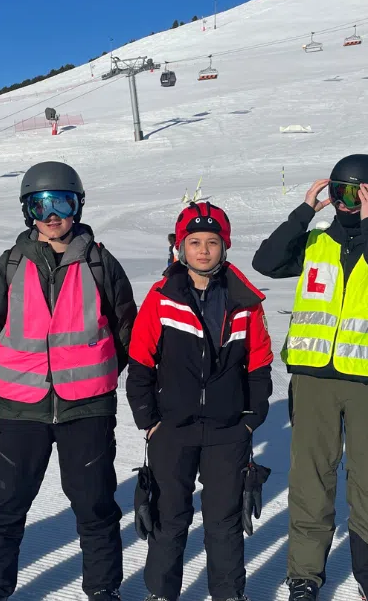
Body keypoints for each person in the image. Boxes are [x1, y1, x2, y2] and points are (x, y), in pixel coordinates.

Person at [252, 155, 368, 601]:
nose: (347, 204)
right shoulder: (315, 243)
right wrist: (304, 211)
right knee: (311, 480)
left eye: (358, 195)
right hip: (313, 382)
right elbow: (266, 262)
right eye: (340, 193)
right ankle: (305, 576)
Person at [0, 162, 137, 601]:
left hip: (86, 406)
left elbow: (125, 328)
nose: (51, 215)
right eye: (39, 204)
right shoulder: (10, 263)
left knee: (95, 506)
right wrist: (22, 366)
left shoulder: (102, 262)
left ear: (77, 205)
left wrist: (94, 371)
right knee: (6, 506)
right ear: (27, 210)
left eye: (60, 202)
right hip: (19, 405)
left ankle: (103, 589)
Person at [127, 201, 274, 601]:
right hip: (172, 430)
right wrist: (149, 420)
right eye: (194, 242)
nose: (204, 250)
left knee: (224, 521)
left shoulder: (246, 301)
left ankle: (228, 594)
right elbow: (140, 364)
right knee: (168, 518)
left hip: (228, 431)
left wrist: (251, 417)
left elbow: (260, 363)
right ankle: (161, 593)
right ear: (180, 247)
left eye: (212, 241)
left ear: (224, 246)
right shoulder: (161, 298)